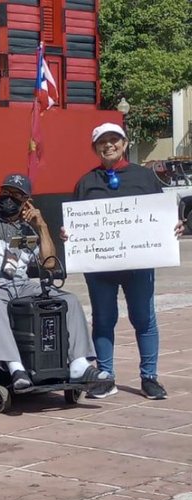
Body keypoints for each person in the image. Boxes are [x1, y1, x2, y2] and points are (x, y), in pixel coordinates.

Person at [67, 123, 184, 400]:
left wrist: (174, 226)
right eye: (102, 141)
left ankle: (150, 377)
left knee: (144, 319)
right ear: (95, 148)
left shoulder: (144, 177)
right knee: (103, 320)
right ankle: (105, 377)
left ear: (124, 143)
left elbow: (162, 215)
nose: (108, 145)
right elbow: (75, 223)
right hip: (101, 267)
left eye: (113, 140)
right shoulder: (86, 182)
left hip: (139, 264)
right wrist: (69, 232)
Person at [0, 174, 112, 392]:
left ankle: (79, 364)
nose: (9, 198)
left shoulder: (29, 228)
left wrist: (42, 226)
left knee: (68, 299)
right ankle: (16, 368)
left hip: (22, 284)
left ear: (27, 201)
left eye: (17, 195)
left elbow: (50, 264)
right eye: (6, 192)